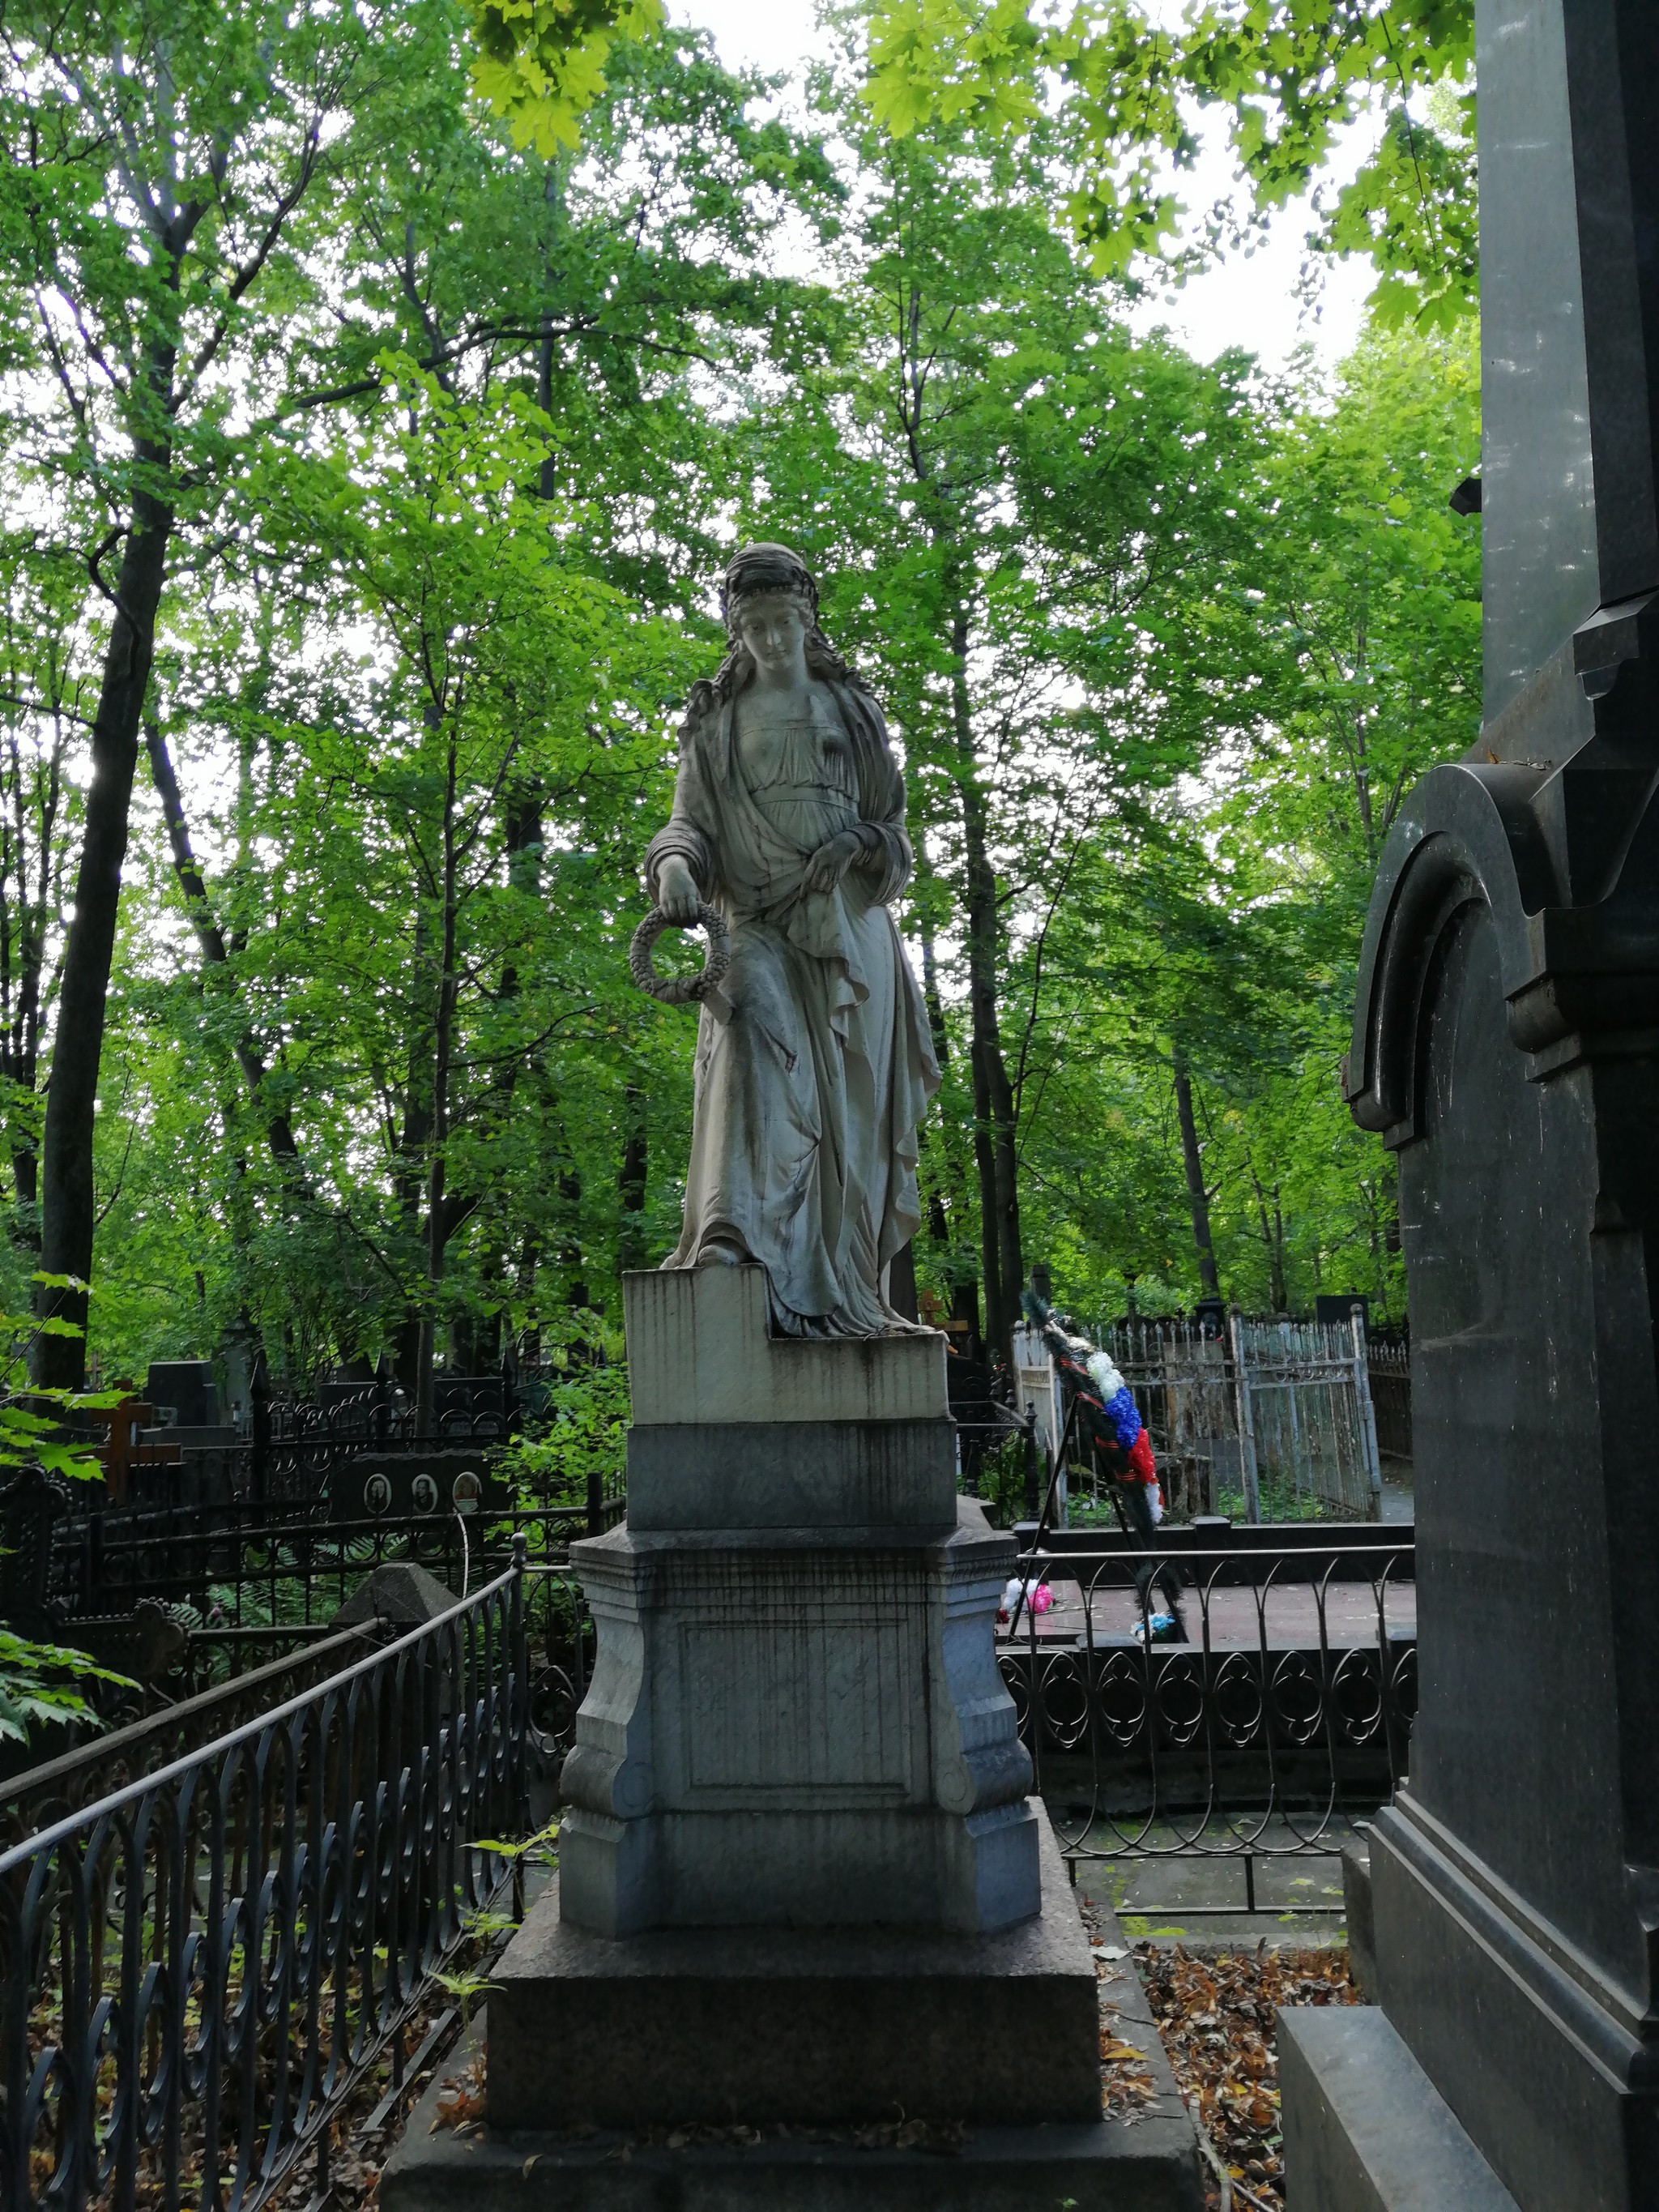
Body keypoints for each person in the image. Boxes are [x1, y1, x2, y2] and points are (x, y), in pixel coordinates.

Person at [646, 543, 939, 1337]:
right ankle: (728, 1240)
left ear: (807, 621)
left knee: (850, 1129)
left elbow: (895, 832)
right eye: (755, 628)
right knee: (745, 1029)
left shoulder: (851, 712)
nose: (771, 641)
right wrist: (674, 867)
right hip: (756, 926)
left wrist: (858, 846)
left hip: (849, 938)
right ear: (736, 632)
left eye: (783, 623)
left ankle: (848, 1290)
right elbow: (686, 826)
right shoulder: (717, 723)